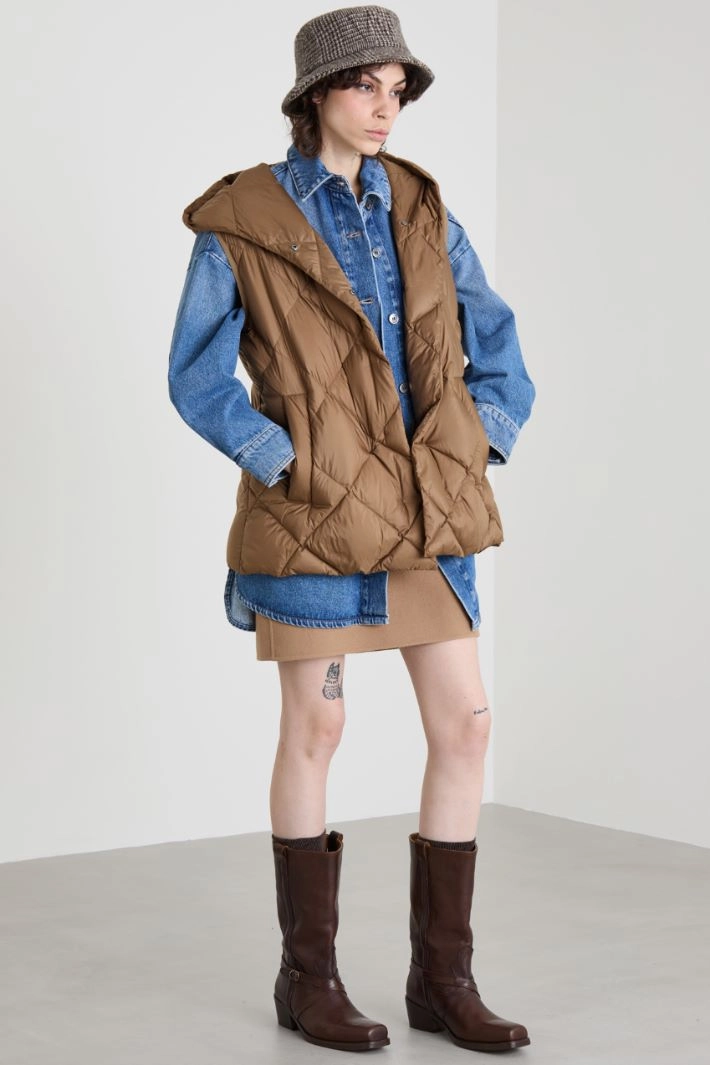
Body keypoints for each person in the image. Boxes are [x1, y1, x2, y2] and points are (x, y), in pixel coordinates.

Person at [168, 4, 535, 1054]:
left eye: (396, 89)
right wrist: (284, 461)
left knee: (466, 724)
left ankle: (442, 982)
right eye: (364, 85)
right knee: (317, 729)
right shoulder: (243, 219)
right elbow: (196, 375)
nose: (384, 108)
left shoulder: (421, 205)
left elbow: (495, 342)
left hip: (425, 513)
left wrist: (475, 442)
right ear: (314, 95)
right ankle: (307, 980)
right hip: (314, 522)